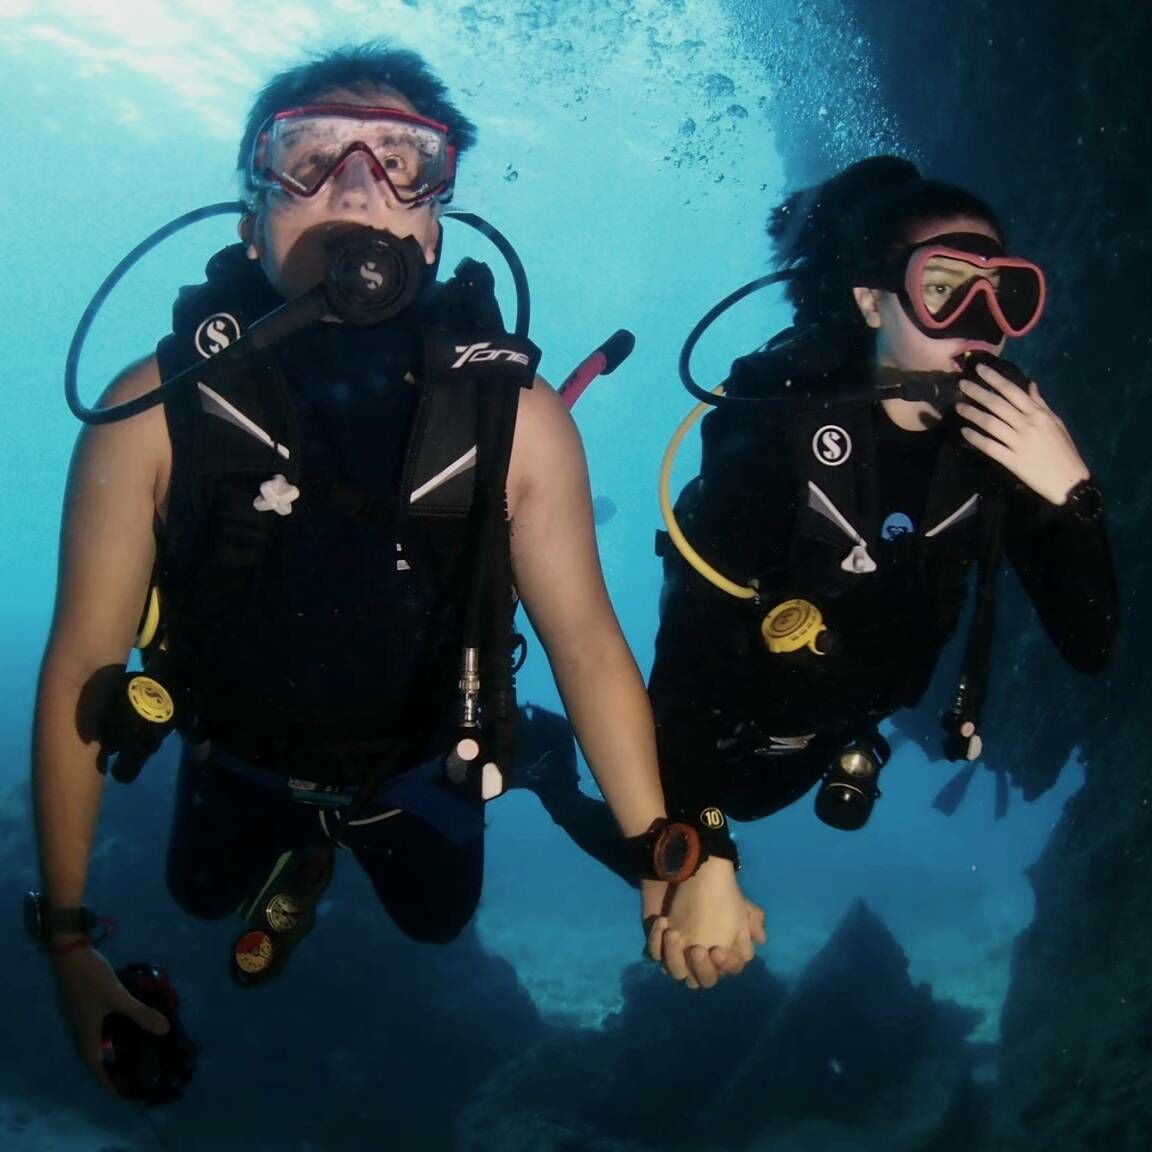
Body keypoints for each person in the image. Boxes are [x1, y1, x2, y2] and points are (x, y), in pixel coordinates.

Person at [30, 41, 759, 1093]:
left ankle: (521, 761)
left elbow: (588, 644)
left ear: (437, 224)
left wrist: (661, 858)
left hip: (422, 767)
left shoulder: (520, 419)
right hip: (234, 752)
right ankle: (307, 858)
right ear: (251, 218)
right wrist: (65, 937)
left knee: (435, 921)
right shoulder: (154, 408)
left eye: (406, 162)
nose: (361, 186)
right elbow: (81, 660)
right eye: (311, 154)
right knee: (198, 895)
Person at [522, 156, 1119, 935]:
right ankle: (551, 774)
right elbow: (689, 665)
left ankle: (578, 786)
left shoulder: (1010, 443)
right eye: (944, 289)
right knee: (672, 855)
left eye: (1003, 293)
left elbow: (1090, 643)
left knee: (713, 840)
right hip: (727, 719)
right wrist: (708, 845)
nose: (978, 321)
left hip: (846, 719)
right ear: (873, 301)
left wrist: (1074, 496)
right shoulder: (779, 423)